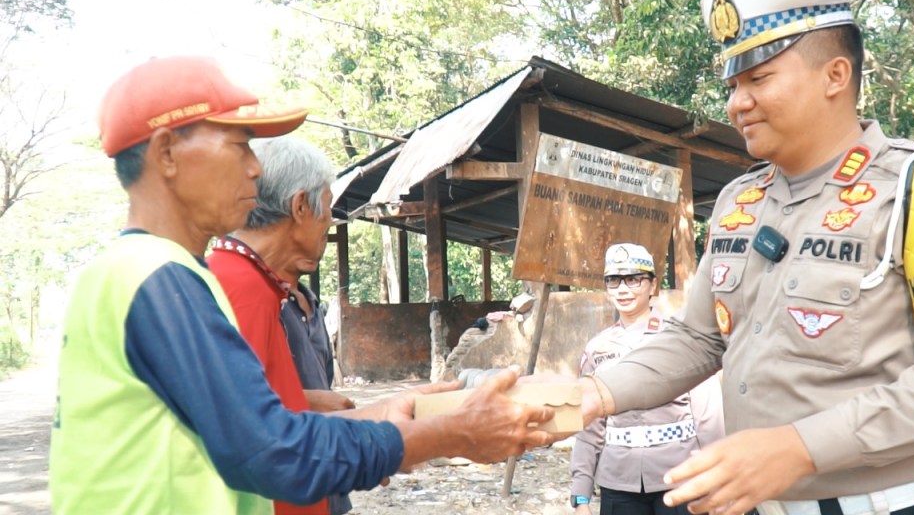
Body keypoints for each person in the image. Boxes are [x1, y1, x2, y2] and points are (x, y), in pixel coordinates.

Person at [575, 0, 914, 515]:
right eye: (732, 86)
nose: (738, 103)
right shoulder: (739, 202)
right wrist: (592, 395)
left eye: (759, 78)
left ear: (836, 75)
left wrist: (800, 448)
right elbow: (699, 338)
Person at [49, 55, 556, 514]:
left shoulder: (129, 272)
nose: (254, 169)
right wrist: (452, 433)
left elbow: (249, 429)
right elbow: (272, 453)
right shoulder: (161, 279)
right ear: (166, 153)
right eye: (239, 147)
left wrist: (383, 418)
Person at [207, 136, 356, 515]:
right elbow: (243, 429)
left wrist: (307, 403)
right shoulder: (240, 287)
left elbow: (255, 400)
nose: (329, 223)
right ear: (300, 205)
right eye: (327, 207)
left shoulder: (252, 281)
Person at [570, 243, 724, 515]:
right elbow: (589, 424)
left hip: (677, 476)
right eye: (613, 280)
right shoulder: (597, 348)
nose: (622, 289)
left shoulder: (680, 340)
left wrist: (717, 479)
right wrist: (581, 493)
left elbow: (709, 416)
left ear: (653, 285)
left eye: (633, 279)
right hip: (618, 480)